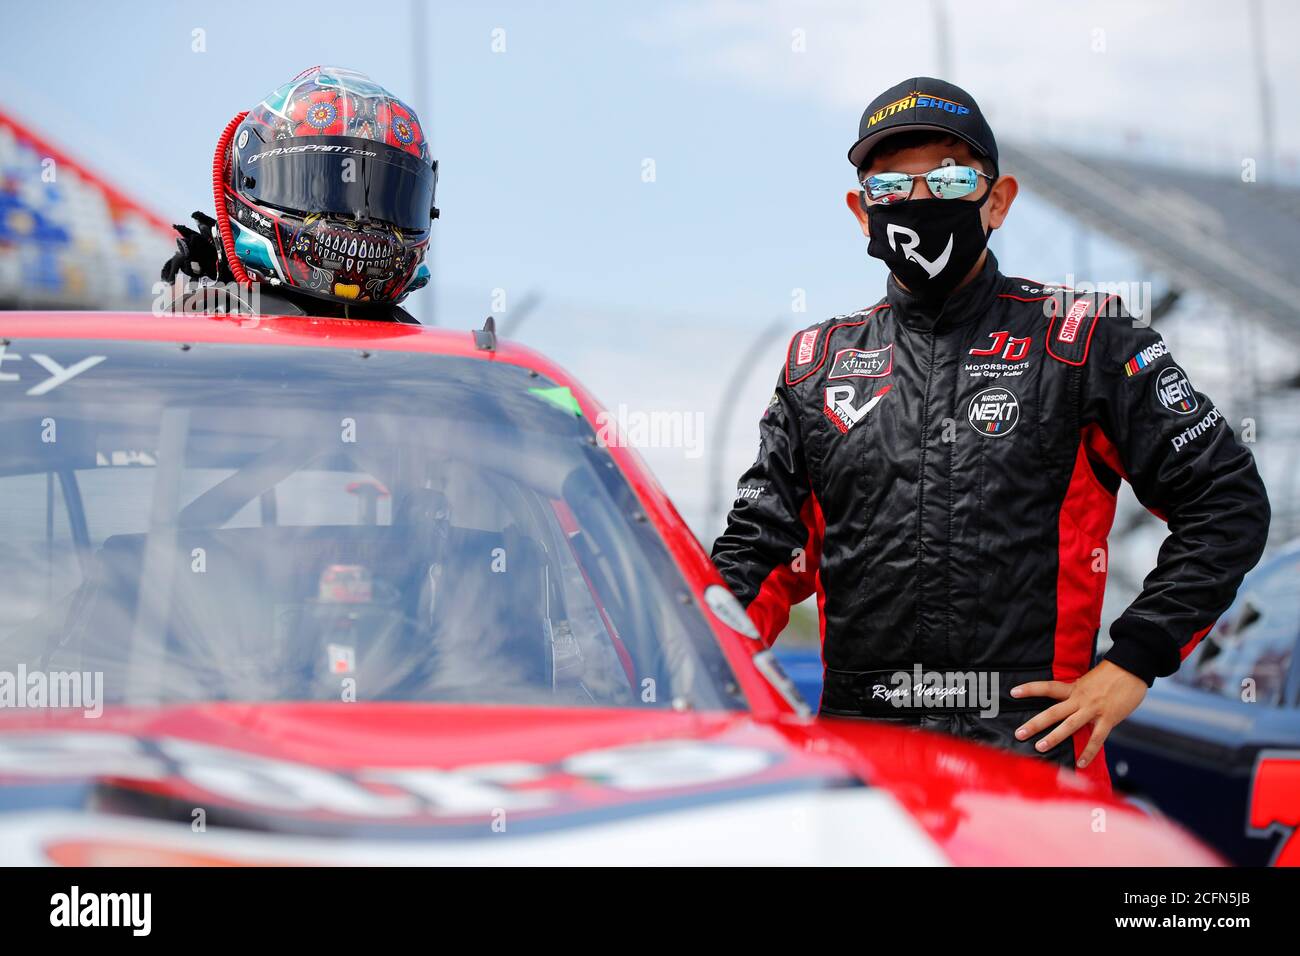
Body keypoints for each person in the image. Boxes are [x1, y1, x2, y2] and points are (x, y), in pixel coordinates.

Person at [710, 77, 1271, 786]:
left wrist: (1132, 660)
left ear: (997, 199)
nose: (919, 200)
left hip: (1034, 765)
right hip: (862, 774)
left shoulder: (1086, 338)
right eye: (890, 185)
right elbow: (755, 559)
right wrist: (693, 664)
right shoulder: (816, 366)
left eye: (948, 176)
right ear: (861, 211)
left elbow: (1227, 502)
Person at [160, 65, 438, 321]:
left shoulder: (427, 357)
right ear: (249, 178)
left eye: (384, 198)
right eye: (327, 192)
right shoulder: (202, 331)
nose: (358, 220)